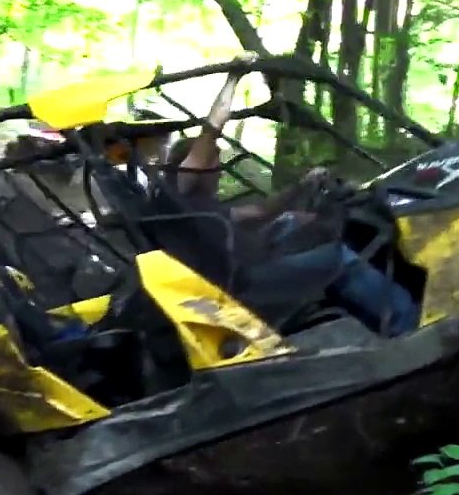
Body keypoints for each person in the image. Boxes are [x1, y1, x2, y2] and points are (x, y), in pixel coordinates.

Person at [161, 52, 420, 337]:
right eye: (213, 163)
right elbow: (212, 130)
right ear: (190, 166)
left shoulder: (199, 207)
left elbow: (261, 213)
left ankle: (357, 315)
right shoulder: (179, 192)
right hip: (246, 282)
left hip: (248, 266)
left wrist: (302, 186)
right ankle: (407, 323)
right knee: (338, 258)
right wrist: (233, 78)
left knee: (293, 222)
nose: (220, 170)